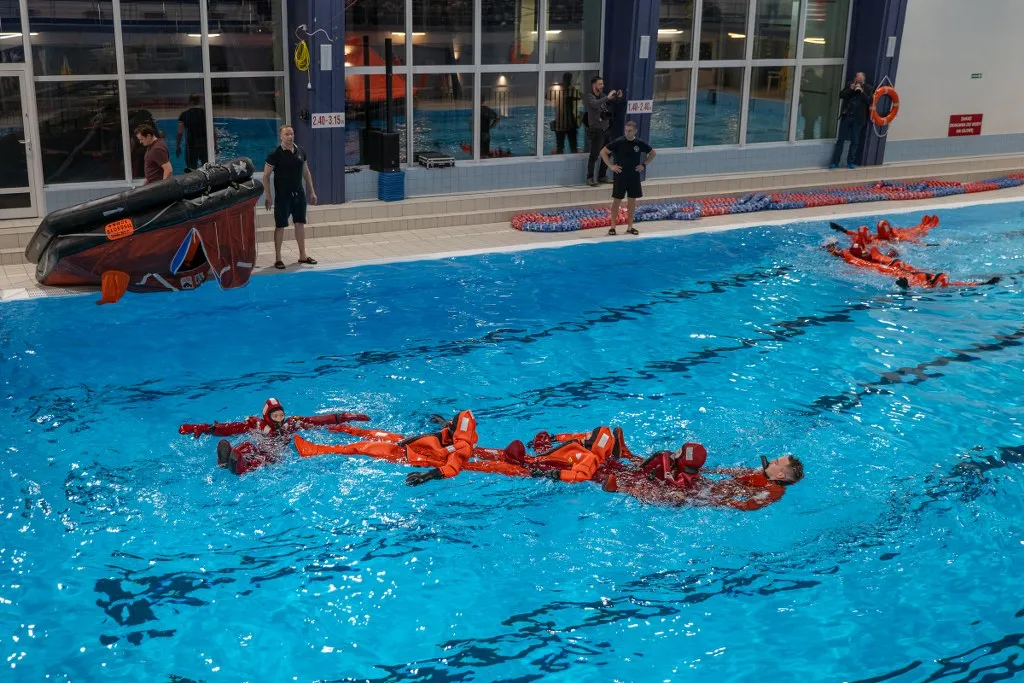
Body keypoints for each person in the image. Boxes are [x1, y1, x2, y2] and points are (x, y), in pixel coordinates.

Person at [294, 410, 530, 485]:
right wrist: (437, 425)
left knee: (363, 447)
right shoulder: (458, 433)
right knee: (379, 434)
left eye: (452, 422)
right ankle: (345, 429)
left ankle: (315, 450)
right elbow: (444, 432)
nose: (449, 423)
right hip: (411, 444)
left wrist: (426, 477)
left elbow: (452, 469)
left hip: (410, 456)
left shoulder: (461, 450)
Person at [178, 398, 371, 475]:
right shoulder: (254, 424)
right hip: (259, 447)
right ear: (266, 416)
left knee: (261, 459)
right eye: (275, 416)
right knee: (246, 446)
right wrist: (206, 428)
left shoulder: (291, 424)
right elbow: (230, 428)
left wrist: (342, 417)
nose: (279, 419)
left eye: (281, 415)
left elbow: (317, 421)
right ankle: (226, 460)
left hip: (275, 455)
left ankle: (239, 466)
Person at [604, 452, 804, 511]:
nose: (772, 460)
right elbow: (732, 471)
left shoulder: (774, 491)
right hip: (711, 486)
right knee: (675, 467)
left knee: (670, 494)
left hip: (709, 498)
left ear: (780, 475)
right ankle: (628, 456)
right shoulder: (761, 472)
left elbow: (748, 506)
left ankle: (619, 488)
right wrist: (703, 470)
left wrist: (718, 502)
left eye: (776, 462)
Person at [264, 124, 319, 270]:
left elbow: (306, 172)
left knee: (300, 223)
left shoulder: (300, 151)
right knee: (280, 225)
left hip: (298, 194)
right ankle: (278, 258)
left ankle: (302, 255)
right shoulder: (275, 154)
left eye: (292, 134)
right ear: (281, 137)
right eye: (287, 134)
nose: (290, 136)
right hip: (283, 196)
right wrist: (268, 196)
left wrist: (312, 191)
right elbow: (266, 175)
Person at [600, 120, 656, 236]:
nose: (627, 133)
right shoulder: (619, 142)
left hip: (633, 176)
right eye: (626, 130)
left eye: (629, 131)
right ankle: (612, 227)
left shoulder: (639, 143)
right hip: (620, 175)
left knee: (632, 202)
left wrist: (643, 165)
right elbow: (603, 152)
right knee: (617, 201)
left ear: (635, 131)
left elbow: (653, 153)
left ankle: (630, 227)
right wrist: (611, 166)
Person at [829, 72, 873, 169]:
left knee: (855, 141)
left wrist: (862, 92)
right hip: (847, 116)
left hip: (858, 119)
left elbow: (870, 101)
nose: (859, 82)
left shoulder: (868, 88)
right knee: (841, 140)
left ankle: (850, 162)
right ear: (855, 79)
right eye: (858, 80)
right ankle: (835, 162)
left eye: (861, 80)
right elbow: (841, 95)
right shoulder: (850, 85)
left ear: (864, 80)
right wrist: (850, 89)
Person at [583, 76, 620, 186]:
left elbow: (611, 101)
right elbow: (595, 104)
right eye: (600, 84)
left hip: (605, 130)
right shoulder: (589, 96)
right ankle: (590, 178)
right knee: (594, 155)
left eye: (602, 84)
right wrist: (607, 97)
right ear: (594, 85)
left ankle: (602, 176)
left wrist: (617, 97)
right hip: (596, 130)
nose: (602, 86)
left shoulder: (603, 96)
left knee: (608, 153)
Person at [176, 94, 209, 172]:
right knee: (207, 167)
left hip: (191, 144)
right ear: (199, 101)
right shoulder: (205, 113)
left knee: (191, 168)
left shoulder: (184, 115)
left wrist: (178, 146)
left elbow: (180, 133)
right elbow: (212, 130)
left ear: (190, 102)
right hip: (204, 143)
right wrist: (215, 144)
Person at [551, 72, 580, 154]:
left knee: (563, 147)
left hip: (565, 124)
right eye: (570, 80)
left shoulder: (563, 90)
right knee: (570, 147)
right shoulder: (560, 90)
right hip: (566, 124)